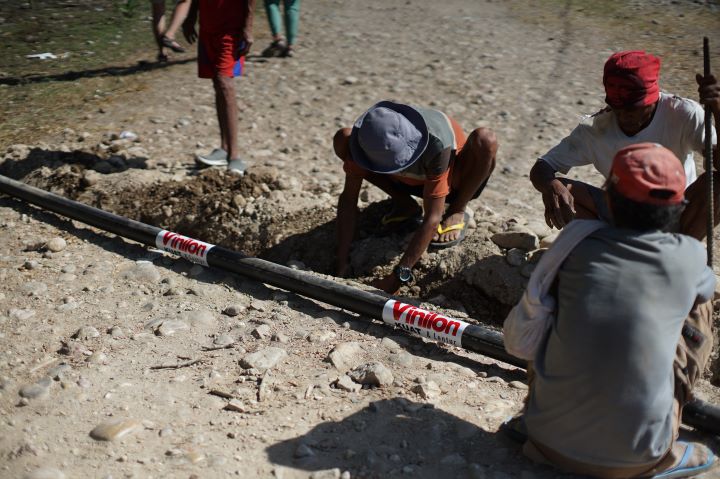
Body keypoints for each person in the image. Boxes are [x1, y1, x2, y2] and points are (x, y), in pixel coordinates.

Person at [506, 143, 717, 478]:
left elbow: (518, 341)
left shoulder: (575, 240)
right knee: (700, 305)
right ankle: (664, 449)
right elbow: (703, 287)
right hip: (636, 460)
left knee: (557, 301)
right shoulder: (689, 256)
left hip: (545, 441)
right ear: (678, 207)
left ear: (609, 198)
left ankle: (541, 413)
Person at [530, 50, 719, 240]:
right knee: (561, 188)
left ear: (654, 97)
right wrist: (550, 186)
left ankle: (679, 254)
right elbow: (542, 166)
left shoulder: (684, 114)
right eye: (618, 108)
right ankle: (605, 248)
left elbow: (717, 163)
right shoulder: (595, 128)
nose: (624, 116)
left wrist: (717, 109)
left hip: (676, 215)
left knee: (717, 184)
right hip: (624, 216)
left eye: (634, 108)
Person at [333, 101, 497, 293]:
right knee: (342, 137)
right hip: (405, 181)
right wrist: (341, 263)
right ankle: (405, 204)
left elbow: (432, 218)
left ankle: (458, 209)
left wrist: (397, 277)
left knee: (485, 139)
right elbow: (349, 199)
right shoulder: (366, 142)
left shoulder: (438, 146)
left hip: (452, 182)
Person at [183, 0, 255, 174]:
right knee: (217, 83)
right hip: (208, 27)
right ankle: (224, 148)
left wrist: (248, 26)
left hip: (232, 29)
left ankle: (235, 156)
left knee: (225, 83)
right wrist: (191, 16)